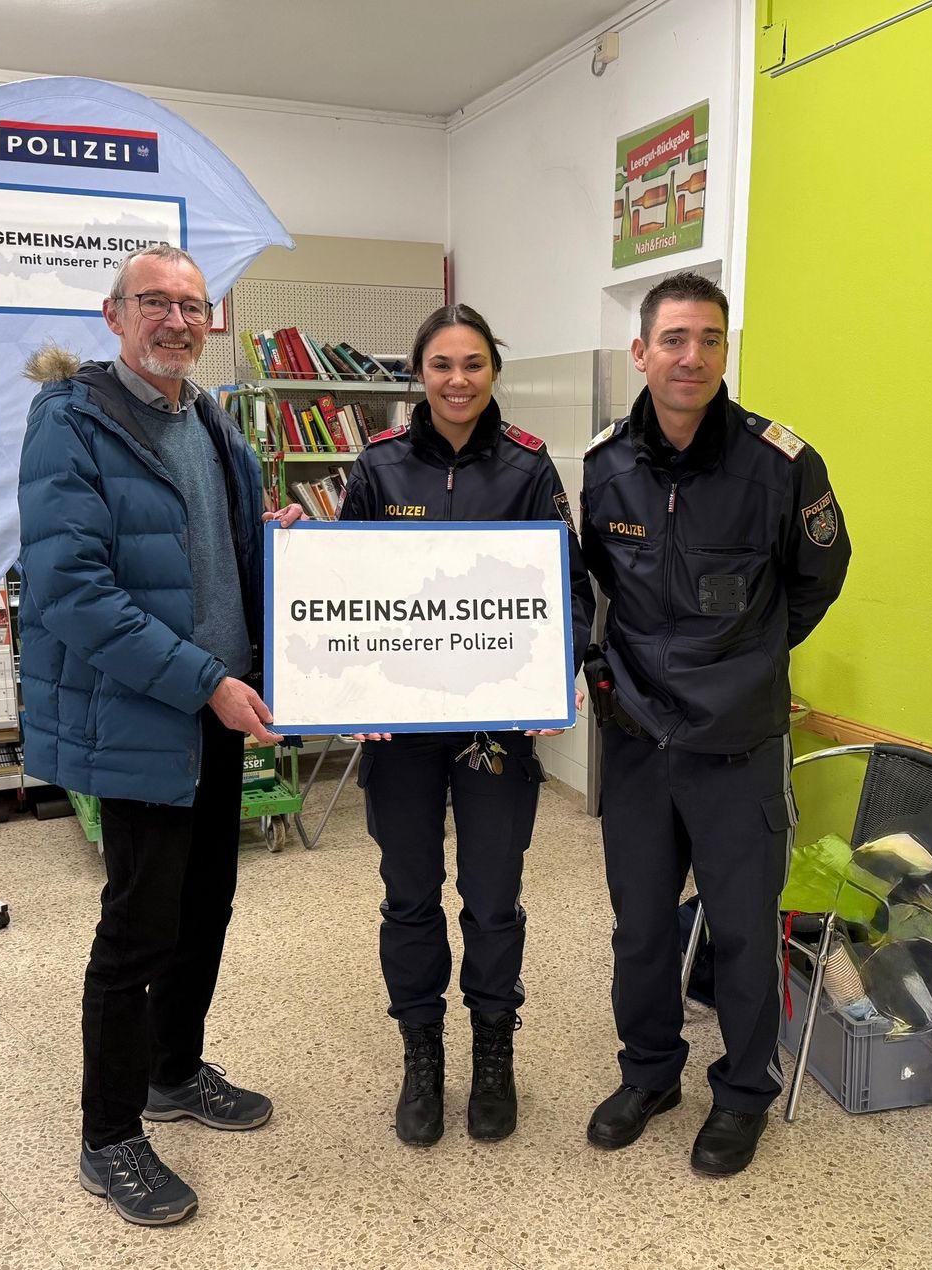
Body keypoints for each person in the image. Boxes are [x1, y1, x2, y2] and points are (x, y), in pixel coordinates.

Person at [17, 244, 300, 1226]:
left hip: (215, 713)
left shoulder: (210, 419)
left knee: (207, 904)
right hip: (141, 719)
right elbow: (74, 592)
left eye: (193, 305)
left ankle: (175, 1069)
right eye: (156, 303)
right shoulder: (71, 422)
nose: (177, 320)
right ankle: (109, 1136)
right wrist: (207, 682)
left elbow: (209, 547)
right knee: (137, 928)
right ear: (113, 314)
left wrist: (279, 543)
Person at [580, 271, 850, 1175]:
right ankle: (650, 1072)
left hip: (736, 746)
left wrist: (750, 661)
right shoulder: (605, 463)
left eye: (710, 339)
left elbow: (816, 582)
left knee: (741, 928)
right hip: (637, 740)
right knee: (642, 927)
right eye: (674, 340)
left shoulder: (782, 464)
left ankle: (741, 1093)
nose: (691, 357)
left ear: (725, 350)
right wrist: (598, 669)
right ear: (641, 352)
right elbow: (593, 587)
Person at [338, 304, 594, 1146]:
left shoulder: (527, 467)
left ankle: (492, 1052)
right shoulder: (378, 468)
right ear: (419, 373)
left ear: (494, 372)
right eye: (442, 364)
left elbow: (569, 587)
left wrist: (559, 674)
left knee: (492, 899)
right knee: (409, 897)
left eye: (474, 364)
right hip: (403, 731)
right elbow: (340, 595)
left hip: (494, 732)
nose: (457, 380)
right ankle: (421, 1057)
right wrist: (350, 693)